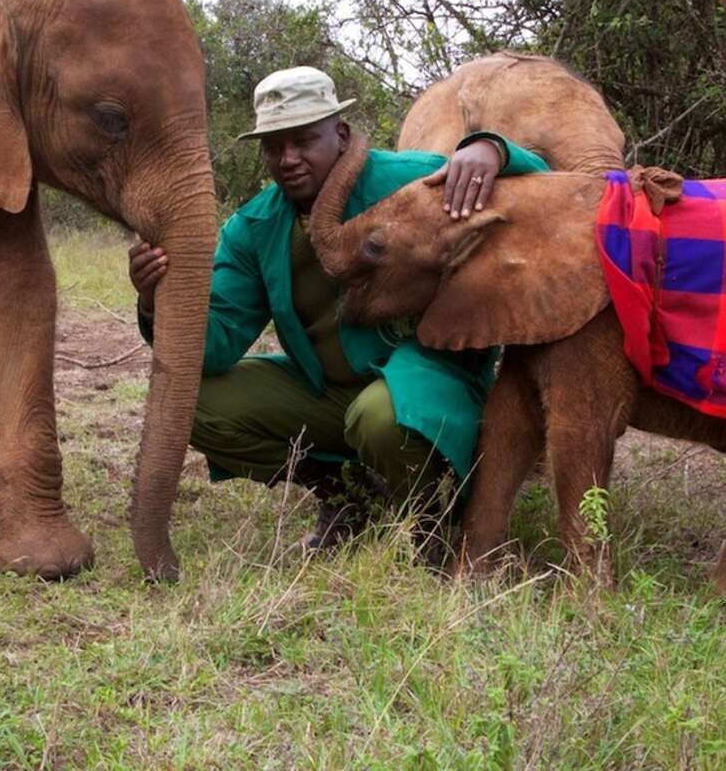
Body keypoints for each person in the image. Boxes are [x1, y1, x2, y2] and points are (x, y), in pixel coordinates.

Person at [129, 66, 547, 551]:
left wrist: (491, 149)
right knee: (194, 404)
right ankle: (348, 496)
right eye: (273, 146)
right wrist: (153, 297)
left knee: (379, 415)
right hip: (328, 393)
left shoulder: (411, 181)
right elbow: (216, 346)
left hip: (428, 390)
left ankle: (434, 516)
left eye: (304, 140)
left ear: (341, 134)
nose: (288, 159)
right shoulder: (254, 228)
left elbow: (539, 182)